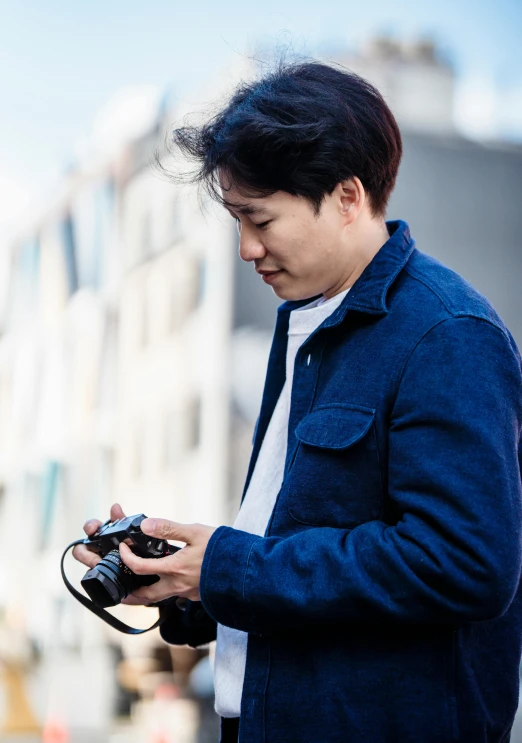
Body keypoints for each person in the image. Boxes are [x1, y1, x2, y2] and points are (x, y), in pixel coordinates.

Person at [73, 59, 522, 743]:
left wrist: (228, 564)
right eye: (235, 218)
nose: (247, 246)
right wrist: (186, 580)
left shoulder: (446, 334)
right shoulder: (304, 323)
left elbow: (464, 563)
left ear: (346, 196)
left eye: (260, 218)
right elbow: (304, 568)